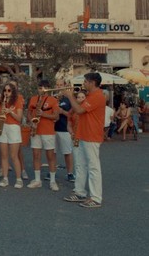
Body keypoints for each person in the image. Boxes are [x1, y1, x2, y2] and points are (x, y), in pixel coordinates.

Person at [62, 72, 106, 208]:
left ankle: (96, 198)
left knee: (93, 167)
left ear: (92, 83)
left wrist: (70, 96)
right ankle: (80, 192)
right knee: (80, 165)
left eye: (86, 81)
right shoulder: (90, 96)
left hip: (91, 135)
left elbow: (80, 110)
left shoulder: (98, 96)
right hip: (82, 134)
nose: (84, 83)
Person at [26, 80, 61, 191]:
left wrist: (43, 114)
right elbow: (29, 112)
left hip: (48, 131)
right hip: (36, 130)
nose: (42, 90)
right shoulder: (33, 99)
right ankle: (37, 180)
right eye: (40, 87)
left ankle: (52, 181)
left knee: (50, 156)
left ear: (49, 88)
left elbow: (56, 117)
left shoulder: (53, 100)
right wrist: (31, 121)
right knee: (36, 155)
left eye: (44, 88)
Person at [0, 83, 24, 189]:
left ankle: (19, 179)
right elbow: (0, 115)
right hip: (3, 127)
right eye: (5, 90)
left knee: (14, 155)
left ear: (12, 92)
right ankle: (5, 178)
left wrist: (10, 112)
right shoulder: (1, 102)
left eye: (9, 91)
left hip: (13, 128)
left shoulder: (17, 101)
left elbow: (19, 118)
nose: (6, 93)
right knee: (4, 155)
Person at [54, 79, 75, 182]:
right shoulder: (52, 97)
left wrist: (61, 111)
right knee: (52, 152)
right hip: (52, 129)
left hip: (64, 129)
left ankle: (70, 173)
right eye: (57, 85)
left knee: (67, 152)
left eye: (61, 85)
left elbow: (72, 115)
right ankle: (52, 172)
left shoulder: (68, 99)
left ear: (65, 85)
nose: (59, 87)